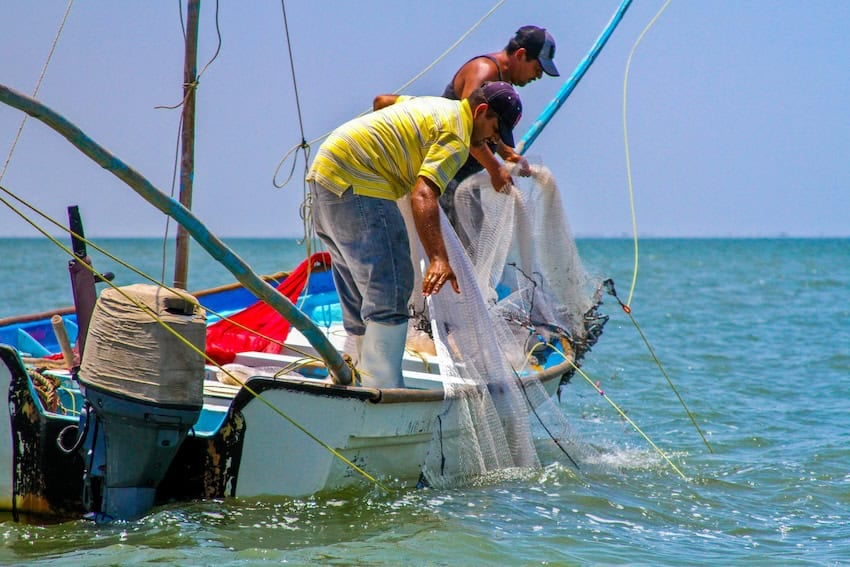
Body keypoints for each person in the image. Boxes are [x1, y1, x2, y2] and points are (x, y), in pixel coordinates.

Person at [307, 82, 523, 389]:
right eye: (495, 130)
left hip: (325, 174)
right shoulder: (456, 137)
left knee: (357, 285)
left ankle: (351, 374)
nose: (493, 139)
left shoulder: (434, 106)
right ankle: (382, 387)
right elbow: (423, 195)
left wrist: (388, 143)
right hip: (360, 184)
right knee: (391, 286)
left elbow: (382, 100)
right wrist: (438, 258)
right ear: (482, 111)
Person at [374, 25, 560, 228]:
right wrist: (495, 170)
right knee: (460, 249)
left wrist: (507, 154)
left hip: (462, 178)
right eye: (538, 69)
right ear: (521, 55)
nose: (538, 76)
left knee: (473, 244)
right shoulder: (485, 72)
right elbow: (468, 128)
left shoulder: (501, 82)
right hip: (443, 173)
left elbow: (486, 128)